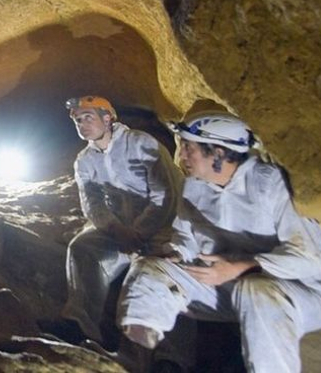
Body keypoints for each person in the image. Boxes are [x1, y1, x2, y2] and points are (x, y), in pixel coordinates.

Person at [117, 112, 321, 373]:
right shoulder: (193, 188)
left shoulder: (271, 184)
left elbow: (310, 258)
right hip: (226, 283)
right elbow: (184, 237)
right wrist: (176, 253)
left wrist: (240, 267)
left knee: (255, 290)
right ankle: (135, 360)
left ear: (219, 153)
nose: (181, 157)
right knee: (148, 269)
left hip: (300, 292)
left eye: (189, 148)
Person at [44, 95, 183, 348]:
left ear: (108, 118)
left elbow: (165, 195)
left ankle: (169, 356)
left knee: (160, 273)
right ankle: (80, 324)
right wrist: (115, 229)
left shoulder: (141, 144)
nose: (82, 124)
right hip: (119, 230)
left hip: (163, 228)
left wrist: (137, 232)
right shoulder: (85, 160)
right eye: (77, 120)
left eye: (88, 118)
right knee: (83, 247)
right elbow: (92, 203)